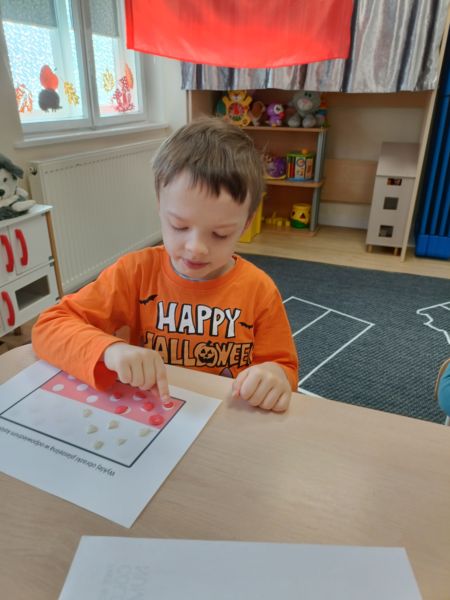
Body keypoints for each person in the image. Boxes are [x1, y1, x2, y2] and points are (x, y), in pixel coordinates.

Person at [32, 117, 298, 412]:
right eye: (179, 226)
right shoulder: (135, 273)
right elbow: (49, 327)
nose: (196, 247)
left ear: (246, 224)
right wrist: (110, 349)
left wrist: (274, 377)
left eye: (220, 234)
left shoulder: (259, 291)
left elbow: (284, 369)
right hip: (156, 414)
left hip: (227, 417)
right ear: (160, 206)